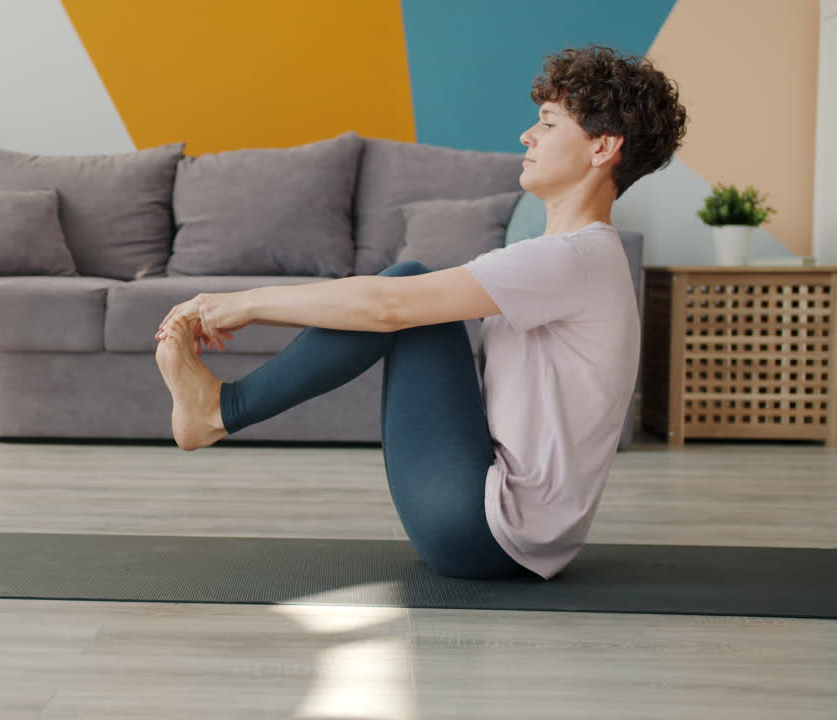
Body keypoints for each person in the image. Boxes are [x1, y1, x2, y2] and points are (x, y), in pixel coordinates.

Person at [152, 45, 689, 581]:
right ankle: (220, 409)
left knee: (405, 291)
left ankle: (222, 410)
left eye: (548, 124)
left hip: (485, 533)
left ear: (602, 148)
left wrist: (244, 303)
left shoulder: (571, 258)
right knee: (415, 299)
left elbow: (386, 306)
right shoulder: (581, 255)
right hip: (511, 531)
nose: (528, 135)